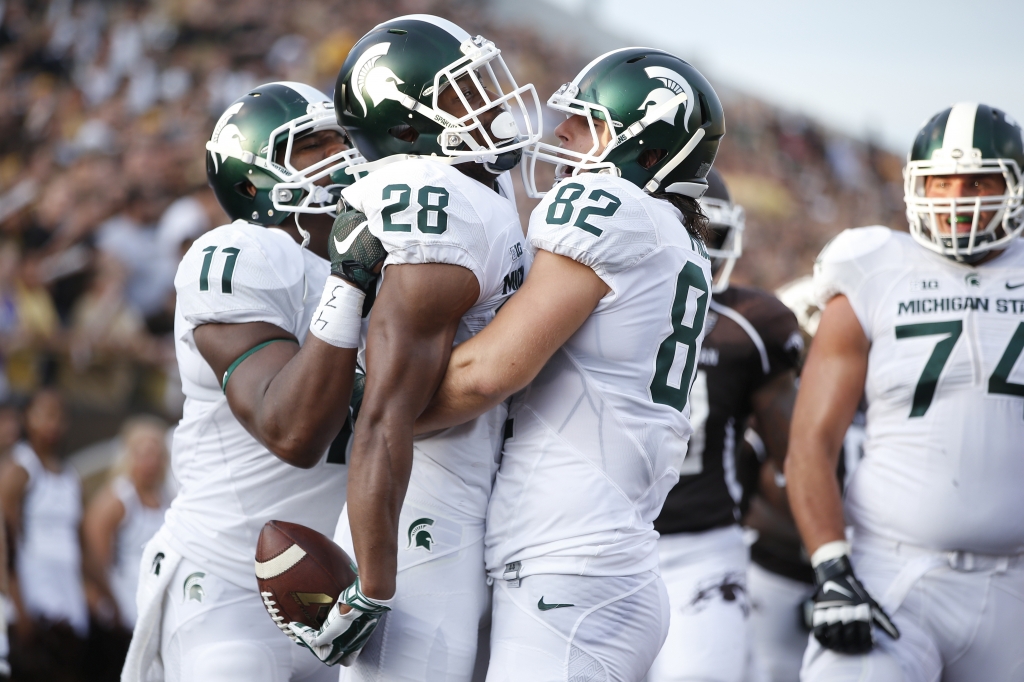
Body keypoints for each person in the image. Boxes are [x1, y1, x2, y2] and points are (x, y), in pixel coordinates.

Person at [404, 47, 724, 681]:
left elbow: (487, 373)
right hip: (590, 562)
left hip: (573, 567)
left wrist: (372, 413)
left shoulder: (616, 210)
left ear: (649, 150)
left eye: (589, 123)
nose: (561, 133)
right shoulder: (669, 236)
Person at [286, 15, 541, 680]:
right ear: (407, 125)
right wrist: (374, 583)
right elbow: (383, 415)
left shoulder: (479, 184)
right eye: (461, 92)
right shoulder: (436, 201)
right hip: (419, 517)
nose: (490, 103)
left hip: (470, 503)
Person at [120, 81, 368, 682]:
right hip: (226, 582)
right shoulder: (238, 252)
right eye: (314, 144)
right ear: (254, 181)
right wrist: (352, 279)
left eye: (343, 136)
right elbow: (293, 431)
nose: (344, 153)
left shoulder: (379, 258)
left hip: (333, 594)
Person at [787, 102, 1024, 682]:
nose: (958, 198)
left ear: (1014, 187)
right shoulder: (873, 265)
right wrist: (832, 566)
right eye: (940, 182)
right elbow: (810, 442)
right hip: (893, 571)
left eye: (979, 181)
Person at [646, 169, 802, 682]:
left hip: (702, 549)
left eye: (709, 237)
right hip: (597, 533)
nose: (698, 250)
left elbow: (798, 457)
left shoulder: (750, 325)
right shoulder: (580, 302)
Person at [0, 389, 110, 681]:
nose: (53, 423)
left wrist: (108, 598)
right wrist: (19, 605)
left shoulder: (71, 477)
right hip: (33, 596)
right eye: (45, 414)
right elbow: (6, 544)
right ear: (28, 418)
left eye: (59, 416)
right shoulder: (19, 470)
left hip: (68, 596)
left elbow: (83, 546)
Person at [84, 416, 170, 630]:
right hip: (124, 606)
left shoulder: (168, 500)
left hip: (159, 603)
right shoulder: (117, 499)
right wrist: (107, 610)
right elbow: (94, 561)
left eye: (156, 455)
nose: (151, 462)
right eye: (143, 454)